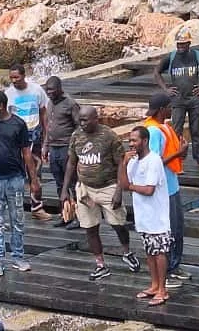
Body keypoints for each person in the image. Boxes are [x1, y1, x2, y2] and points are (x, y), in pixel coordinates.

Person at [62, 106, 141, 280]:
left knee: (118, 224)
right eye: (80, 120)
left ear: (95, 119)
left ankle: (127, 252)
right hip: (85, 189)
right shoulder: (76, 136)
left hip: (108, 186)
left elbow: (121, 163)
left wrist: (119, 190)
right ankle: (100, 264)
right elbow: (71, 162)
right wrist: (64, 189)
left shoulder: (109, 136)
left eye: (85, 120)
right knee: (90, 227)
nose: (82, 124)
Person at [0, 91, 40, 277]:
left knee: (18, 221)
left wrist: (33, 180)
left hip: (15, 179)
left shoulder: (18, 124)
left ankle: (18, 257)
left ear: (1, 106)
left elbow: (26, 153)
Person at [117, 126, 171, 307]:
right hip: (143, 217)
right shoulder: (133, 161)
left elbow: (149, 190)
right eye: (130, 140)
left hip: (157, 217)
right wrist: (123, 164)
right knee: (149, 251)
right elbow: (123, 184)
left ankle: (163, 289)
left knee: (160, 253)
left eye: (134, 140)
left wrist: (131, 187)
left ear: (145, 141)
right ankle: (154, 285)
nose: (131, 144)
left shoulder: (154, 160)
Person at [142, 93, 190, 288]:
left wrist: (181, 153)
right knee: (167, 231)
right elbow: (153, 162)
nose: (172, 109)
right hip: (162, 190)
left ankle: (175, 265)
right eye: (170, 106)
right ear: (162, 109)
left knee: (177, 228)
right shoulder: (153, 132)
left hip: (172, 185)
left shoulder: (164, 127)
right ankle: (167, 271)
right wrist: (179, 153)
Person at [153, 28, 199, 168]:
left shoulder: (197, 56)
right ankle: (177, 158)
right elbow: (156, 72)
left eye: (183, 44)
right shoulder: (171, 57)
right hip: (177, 99)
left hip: (194, 99)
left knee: (195, 129)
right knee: (176, 130)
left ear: (189, 43)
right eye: (178, 44)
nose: (180, 47)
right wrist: (166, 89)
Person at [5, 65, 51, 222]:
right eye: (11, 78)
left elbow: (44, 113)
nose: (14, 81)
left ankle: (37, 207)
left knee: (35, 172)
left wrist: (46, 138)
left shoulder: (36, 90)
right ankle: (14, 210)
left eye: (16, 77)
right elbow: (6, 117)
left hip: (35, 135)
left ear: (24, 75)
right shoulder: (8, 94)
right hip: (16, 138)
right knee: (16, 174)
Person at [43, 76, 81, 229]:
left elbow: (79, 126)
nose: (49, 93)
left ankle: (79, 216)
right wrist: (45, 145)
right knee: (59, 183)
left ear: (59, 89)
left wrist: (74, 146)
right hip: (53, 147)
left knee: (72, 182)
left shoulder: (70, 104)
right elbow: (49, 126)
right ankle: (65, 215)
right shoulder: (49, 103)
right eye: (47, 90)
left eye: (52, 90)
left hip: (67, 147)